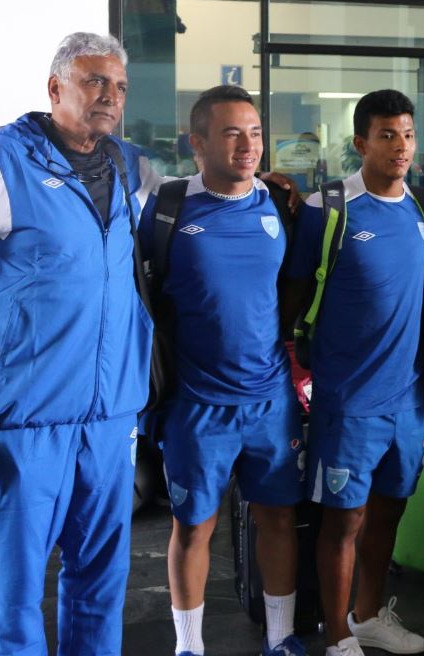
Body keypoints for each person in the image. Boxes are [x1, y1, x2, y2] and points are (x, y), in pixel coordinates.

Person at [0, 32, 159, 654]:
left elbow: (192, 200)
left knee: (100, 582)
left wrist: (261, 187)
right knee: (11, 588)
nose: (110, 96)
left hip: (110, 415)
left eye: (120, 86)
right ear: (55, 88)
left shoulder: (130, 168)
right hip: (24, 419)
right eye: (95, 82)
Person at [138, 85, 306, 656]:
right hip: (196, 404)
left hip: (270, 400)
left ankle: (281, 637)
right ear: (198, 143)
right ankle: (189, 647)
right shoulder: (167, 208)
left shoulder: (279, 202)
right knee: (193, 526)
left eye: (255, 133)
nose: (247, 145)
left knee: (277, 518)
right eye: (232, 133)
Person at [283, 90, 424, 656]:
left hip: (410, 401)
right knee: (344, 521)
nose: (401, 146)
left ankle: (367, 616)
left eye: (408, 135)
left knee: (390, 513)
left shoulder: (422, 206)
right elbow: (293, 293)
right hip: (349, 402)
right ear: (361, 143)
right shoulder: (329, 208)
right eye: (387, 135)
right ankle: (339, 635)